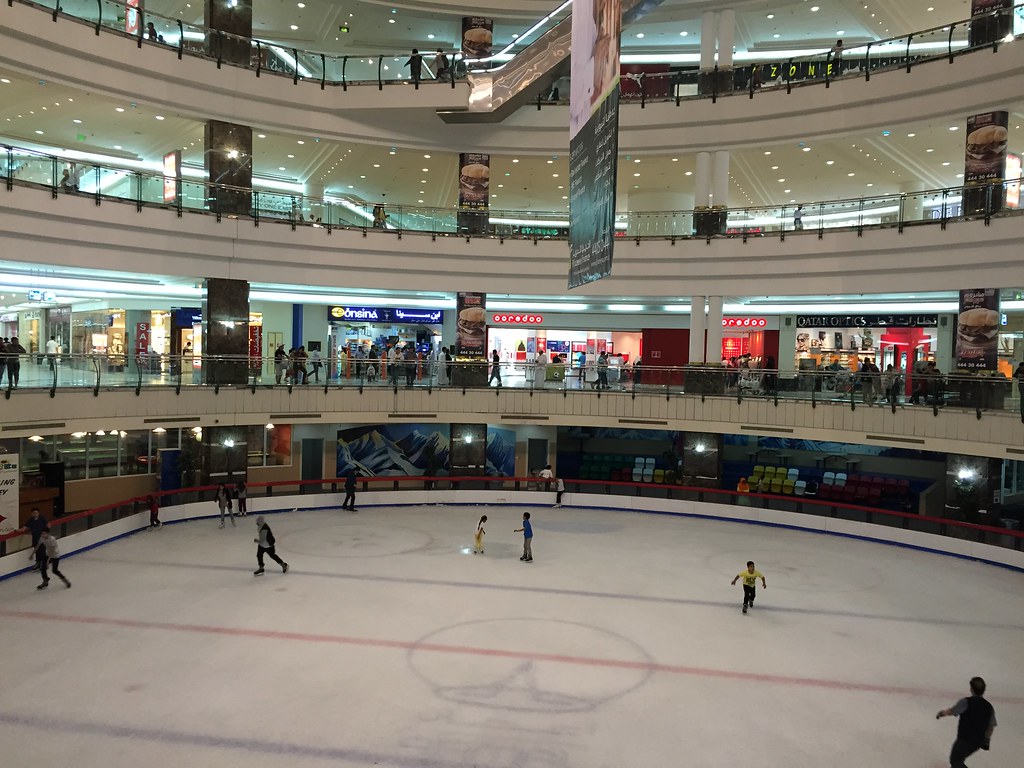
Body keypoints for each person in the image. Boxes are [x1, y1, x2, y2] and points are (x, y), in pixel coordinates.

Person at [936, 677, 996, 768]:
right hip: (977, 741)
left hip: (965, 739)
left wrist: (941, 713)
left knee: (956, 760)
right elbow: (990, 727)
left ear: (971, 689)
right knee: (957, 761)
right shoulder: (989, 707)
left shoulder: (966, 702)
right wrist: (986, 741)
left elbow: (953, 711)